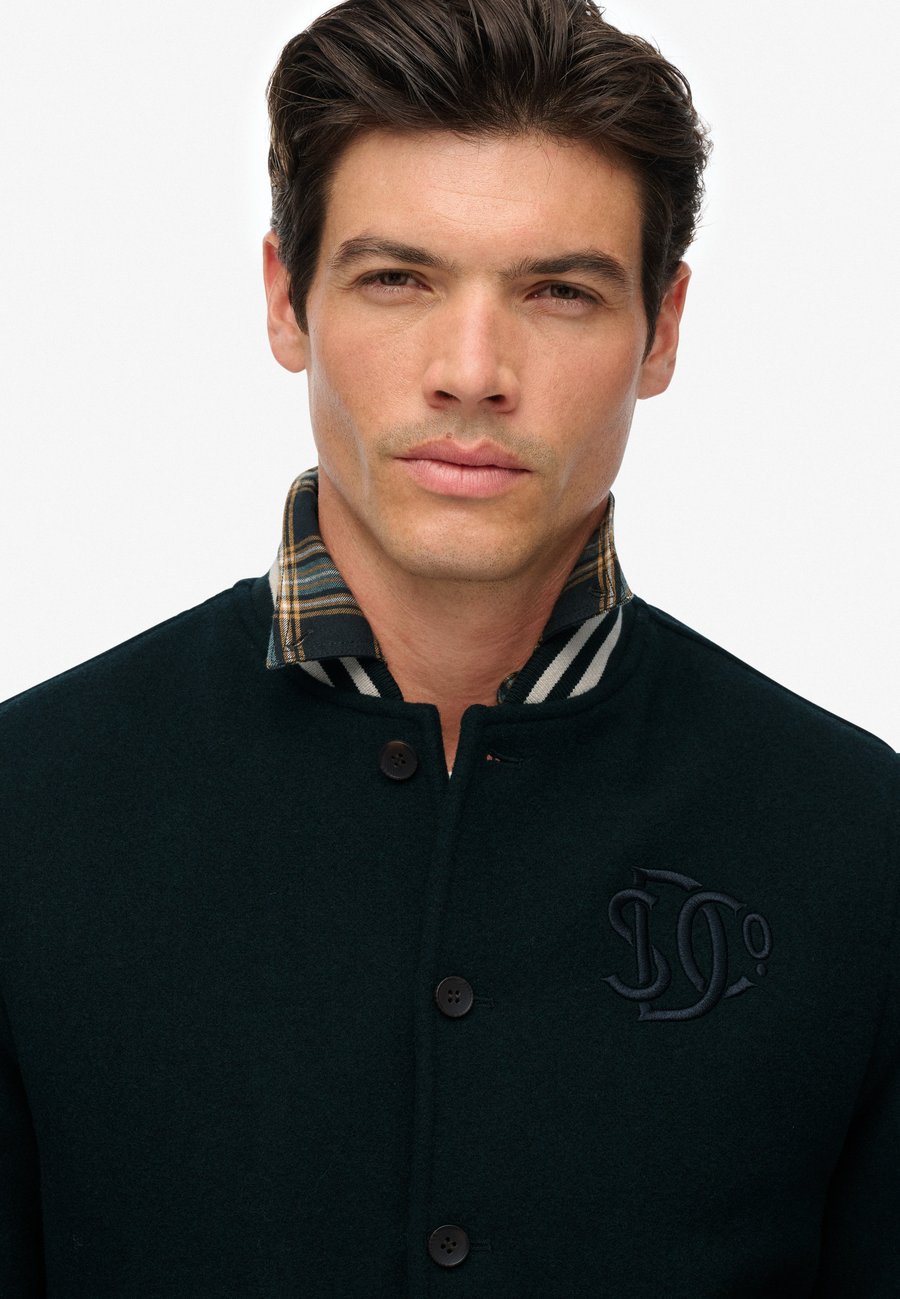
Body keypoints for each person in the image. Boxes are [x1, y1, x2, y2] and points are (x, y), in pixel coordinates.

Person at [1, 0, 897, 1293]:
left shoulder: (858, 842)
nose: (472, 372)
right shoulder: (27, 812)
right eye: (398, 279)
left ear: (662, 330)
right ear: (285, 301)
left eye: (558, 291)